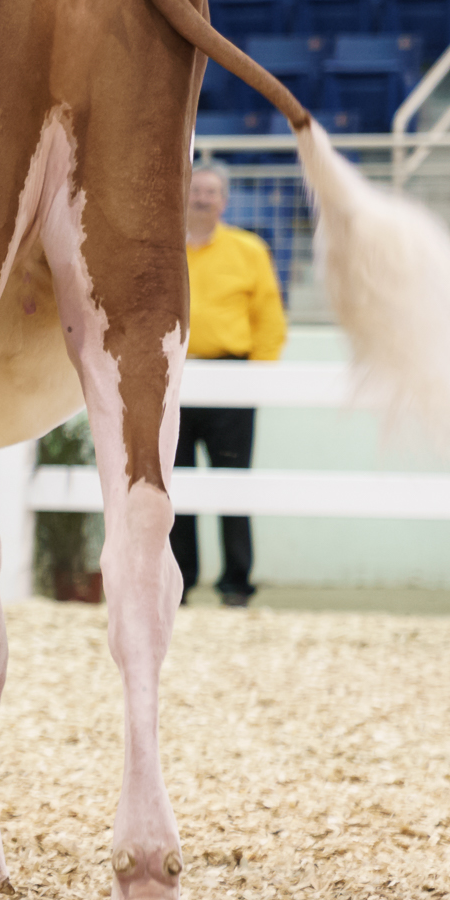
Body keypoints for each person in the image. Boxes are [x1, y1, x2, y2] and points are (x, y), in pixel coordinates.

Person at [170, 160, 284, 607]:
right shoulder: (162, 249)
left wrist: (257, 378)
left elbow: (269, 317)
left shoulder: (249, 250)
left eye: (211, 192)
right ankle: (178, 582)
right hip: (173, 381)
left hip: (233, 380)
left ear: (225, 201)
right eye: (195, 190)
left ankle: (236, 583)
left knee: (233, 483)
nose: (201, 198)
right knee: (174, 486)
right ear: (182, 194)